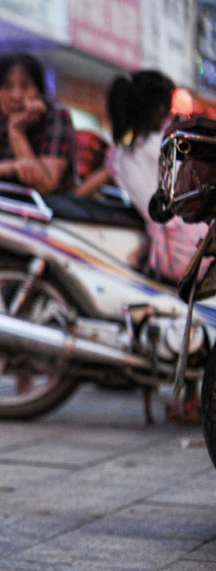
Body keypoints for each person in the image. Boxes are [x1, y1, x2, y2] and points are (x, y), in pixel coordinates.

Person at [106, 70, 207, 423]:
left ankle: (190, 396)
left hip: (165, 245)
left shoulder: (118, 154)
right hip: (182, 244)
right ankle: (195, 398)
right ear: (159, 107)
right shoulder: (160, 148)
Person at [0, 52, 77, 195]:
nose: (16, 96)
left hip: (49, 211)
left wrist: (16, 131)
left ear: (40, 91)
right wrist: (10, 167)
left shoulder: (56, 116)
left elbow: (46, 186)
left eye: (25, 86)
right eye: (7, 86)